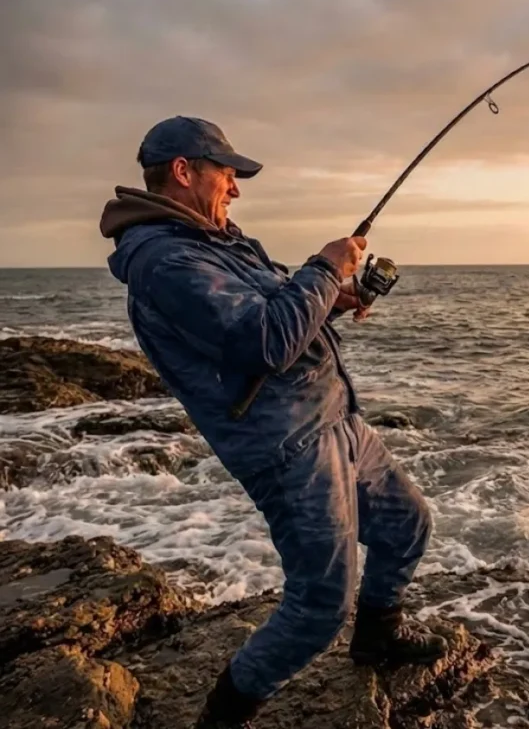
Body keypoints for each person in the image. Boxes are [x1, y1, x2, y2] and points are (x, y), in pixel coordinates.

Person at [100, 116, 447, 728]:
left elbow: (277, 312)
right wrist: (323, 266)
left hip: (335, 422)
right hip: (288, 450)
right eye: (227, 174)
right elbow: (262, 341)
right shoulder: (165, 261)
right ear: (184, 171)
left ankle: (377, 640)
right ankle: (224, 715)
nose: (234, 188)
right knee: (319, 604)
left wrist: (329, 299)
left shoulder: (217, 242)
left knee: (407, 526)